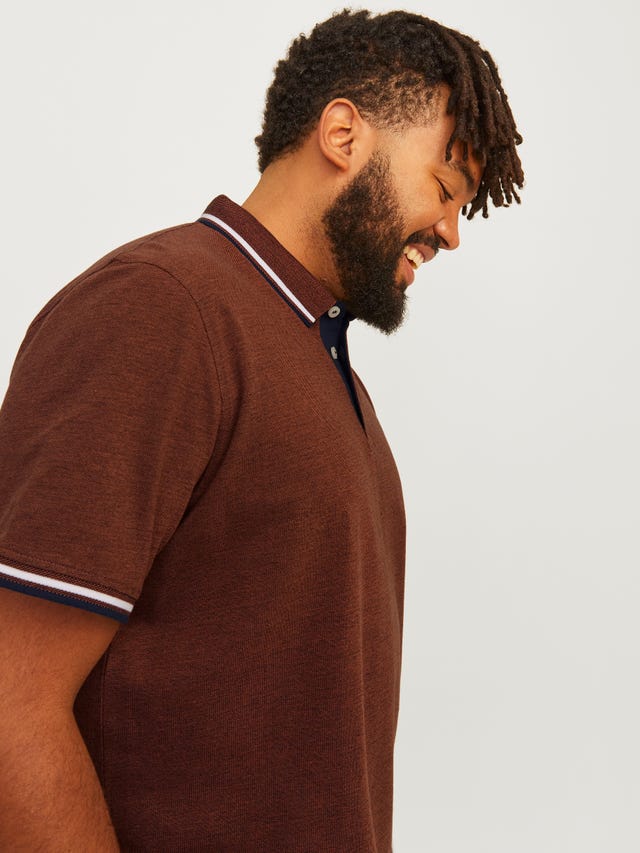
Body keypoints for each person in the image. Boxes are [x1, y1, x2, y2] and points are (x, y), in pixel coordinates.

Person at [0, 9, 523, 852]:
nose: (452, 233)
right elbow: (10, 703)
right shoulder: (160, 308)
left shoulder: (320, 363)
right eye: (445, 185)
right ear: (344, 135)